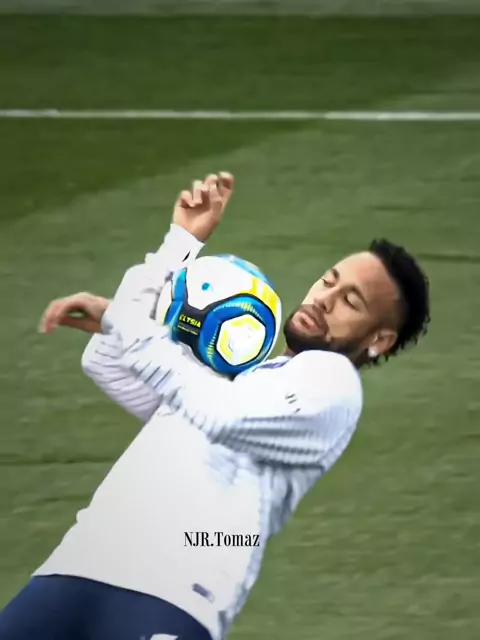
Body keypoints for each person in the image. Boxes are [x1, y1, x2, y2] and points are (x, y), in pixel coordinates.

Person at [0, 173, 430, 640]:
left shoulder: (331, 385)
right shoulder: (237, 374)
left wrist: (130, 324)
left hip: (168, 597)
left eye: (349, 300)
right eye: (328, 280)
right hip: (76, 567)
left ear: (379, 339)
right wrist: (180, 243)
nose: (323, 299)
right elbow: (108, 362)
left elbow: (223, 416)